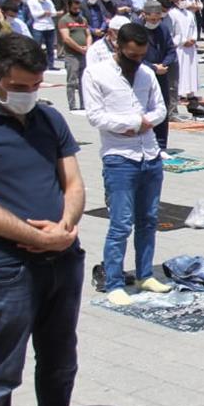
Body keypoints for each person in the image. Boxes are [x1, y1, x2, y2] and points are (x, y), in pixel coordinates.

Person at [0, 33, 103, 406]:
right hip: (7, 268)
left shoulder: (49, 120)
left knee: (61, 358)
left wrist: (64, 228)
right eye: (20, 86)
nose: (29, 94)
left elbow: (75, 183)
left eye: (35, 86)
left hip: (62, 260)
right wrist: (36, 237)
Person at [82, 22, 171, 306]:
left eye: (141, 55)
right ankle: (114, 281)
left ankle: (145, 274)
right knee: (121, 223)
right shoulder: (96, 73)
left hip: (150, 155)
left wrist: (147, 122)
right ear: (117, 46)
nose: (137, 61)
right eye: (131, 56)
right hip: (119, 157)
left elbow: (160, 108)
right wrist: (130, 124)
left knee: (148, 220)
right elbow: (96, 116)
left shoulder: (146, 73)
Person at [140, 1, 176, 149]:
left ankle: (161, 145)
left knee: (162, 108)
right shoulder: (137, 29)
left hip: (162, 73)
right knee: (144, 108)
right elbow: (133, 55)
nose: (155, 22)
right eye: (152, 19)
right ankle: (144, 143)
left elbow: (171, 50)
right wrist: (152, 67)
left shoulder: (163, 28)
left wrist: (164, 64)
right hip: (143, 74)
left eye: (158, 19)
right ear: (145, 15)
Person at [56, 0, 89, 112]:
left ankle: (84, 104)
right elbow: (66, 38)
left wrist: (88, 47)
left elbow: (88, 34)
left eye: (78, 8)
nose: (77, 10)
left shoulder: (83, 20)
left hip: (84, 54)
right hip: (72, 55)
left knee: (83, 80)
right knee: (72, 81)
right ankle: (72, 105)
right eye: (74, 8)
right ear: (69, 7)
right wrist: (80, 48)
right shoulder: (64, 20)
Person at [170, 0, 200, 102]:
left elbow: (194, 28)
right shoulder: (172, 14)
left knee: (191, 69)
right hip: (180, 47)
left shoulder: (190, 14)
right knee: (181, 69)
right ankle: (180, 92)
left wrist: (193, 39)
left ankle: (191, 92)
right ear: (175, 1)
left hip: (190, 46)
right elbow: (172, 32)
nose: (184, 1)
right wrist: (182, 41)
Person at [26, 0, 58, 69]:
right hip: (38, 27)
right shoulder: (31, 1)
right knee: (37, 47)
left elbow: (54, 12)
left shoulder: (48, 1)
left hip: (50, 26)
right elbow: (34, 15)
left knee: (50, 48)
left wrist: (47, 14)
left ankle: (50, 65)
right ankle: (36, 64)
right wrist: (44, 13)